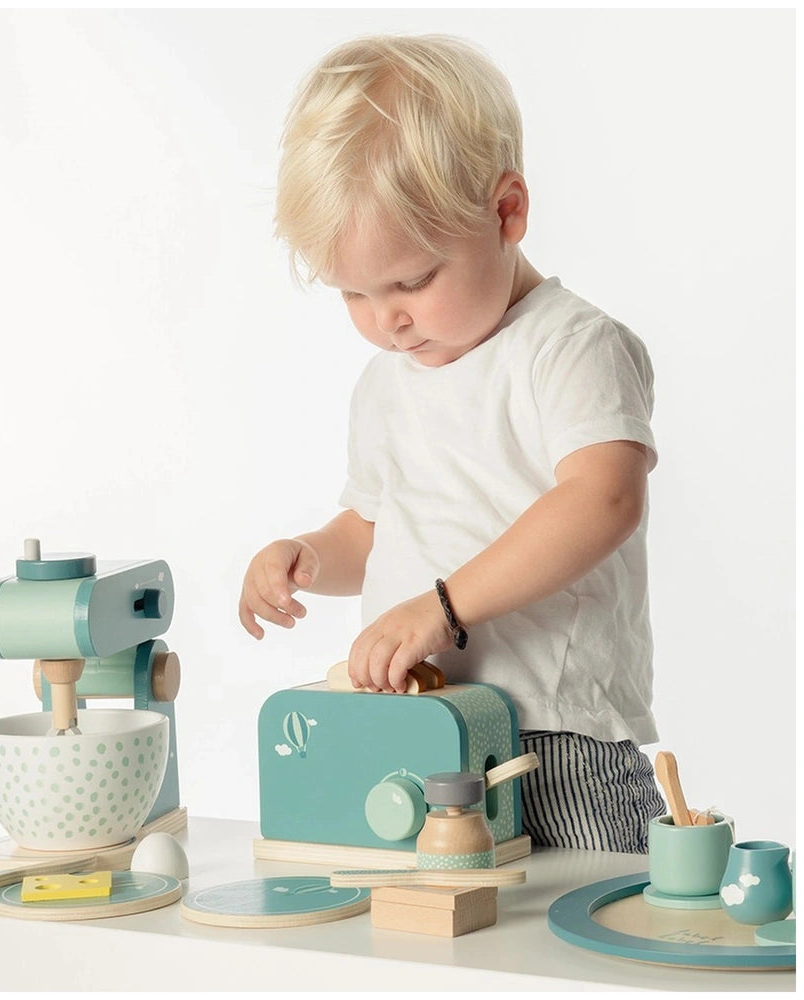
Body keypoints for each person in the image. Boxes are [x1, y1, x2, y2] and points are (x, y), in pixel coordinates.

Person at [238, 34, 664, 852]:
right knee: (446, 942)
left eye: (412, 281)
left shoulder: (569, 347)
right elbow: (374, 528)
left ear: (507, 211)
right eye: (355, 294)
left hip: (552, 737)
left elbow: (603, 498)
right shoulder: (386, 385)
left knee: (592, 942)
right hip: (417, 729)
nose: (386, 320)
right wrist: (308, 556)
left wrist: (441, 610)